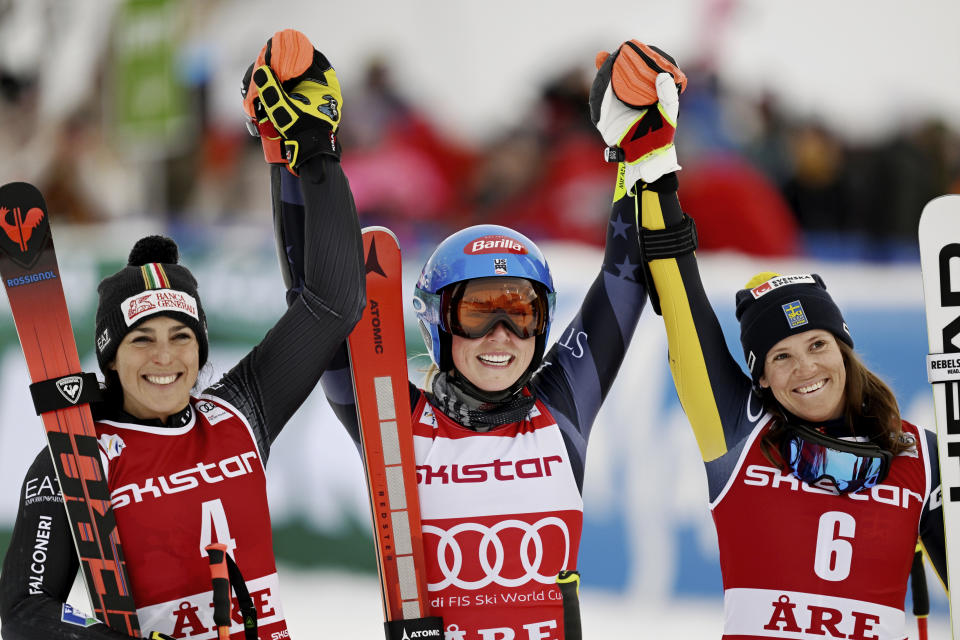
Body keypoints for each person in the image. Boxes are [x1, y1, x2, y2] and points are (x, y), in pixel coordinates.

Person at [254, 39, 692, 640]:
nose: (502, 335)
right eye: (479, 310)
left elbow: (627, 273)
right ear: (437, 323)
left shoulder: (561, 408)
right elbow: (315, 304)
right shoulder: (391, 420)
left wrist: (642, 154)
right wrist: (299, 155)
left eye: (521, 312)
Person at [0, 31, 365, 640]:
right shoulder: (75, 456)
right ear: (110, 359)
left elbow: (334, 300)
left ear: (201, 348)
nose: (165, 357)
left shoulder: (239, 412)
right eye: (141, 341)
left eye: (181, 336)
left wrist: (308, 146)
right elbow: (27, 612)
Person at [601, 39, 949, 637]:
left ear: (844, 348)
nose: (803, 368)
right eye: (780, 356)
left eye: (817, 344)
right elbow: (681, 302)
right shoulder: (738, 434)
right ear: (759, 375)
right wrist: (649, 162)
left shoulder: (924, 457)